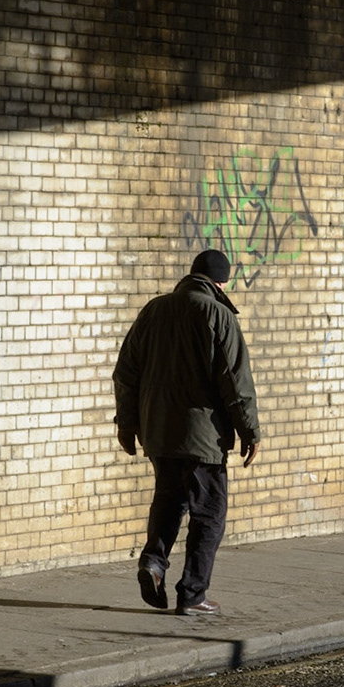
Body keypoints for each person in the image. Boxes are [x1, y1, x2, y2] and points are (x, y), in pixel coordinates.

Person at [113, 249, 260, 614]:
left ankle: (153, 562)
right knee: (208, 514)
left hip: (159, 432)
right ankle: (193, 594)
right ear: (221, 282)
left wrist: (128, 422)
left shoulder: (154, 310)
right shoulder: (218, 314)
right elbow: (235, 381)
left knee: (168, 500)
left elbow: (126, 371)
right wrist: (250, 431)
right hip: (203, 438)